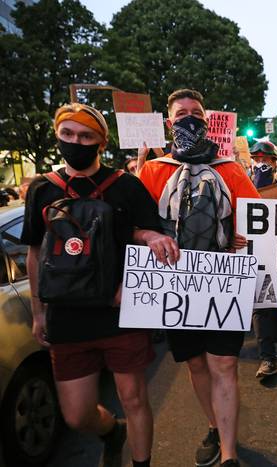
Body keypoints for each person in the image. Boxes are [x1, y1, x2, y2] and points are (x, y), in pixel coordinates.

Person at [22, 103, 179, 467]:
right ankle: (112, 431)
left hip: (118, 311)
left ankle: (142, 462)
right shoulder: (42, 189)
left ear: (101, 141)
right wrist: (38, 313)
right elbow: (34, 253)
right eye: (68, 134)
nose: (76, 142)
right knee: (77, 415)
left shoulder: (126, 186)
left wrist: (150, 235)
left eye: (86, 136)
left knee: (134, 398)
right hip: (65, 316)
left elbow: (147, 231)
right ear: (57, 135)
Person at [138, 89, 259, 467]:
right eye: (181, 113)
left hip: (222, 281)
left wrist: (245, 238)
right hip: (175, 283)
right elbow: (138, 228)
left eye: (196, 113)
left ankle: (228, 454)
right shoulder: (153, 171)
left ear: (206, 121)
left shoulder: (231, 170)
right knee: (195, 364)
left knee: (223, 364)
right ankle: (212, 423)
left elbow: (259, 222)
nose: (189, 118)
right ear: (169, 122)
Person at [248, 138, 277, 377]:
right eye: (257, 159)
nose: (261, 163)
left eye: (265, 159)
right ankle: (266, 358)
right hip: (257, 254)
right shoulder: (242, 183)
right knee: (260, 306)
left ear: (275, 162)